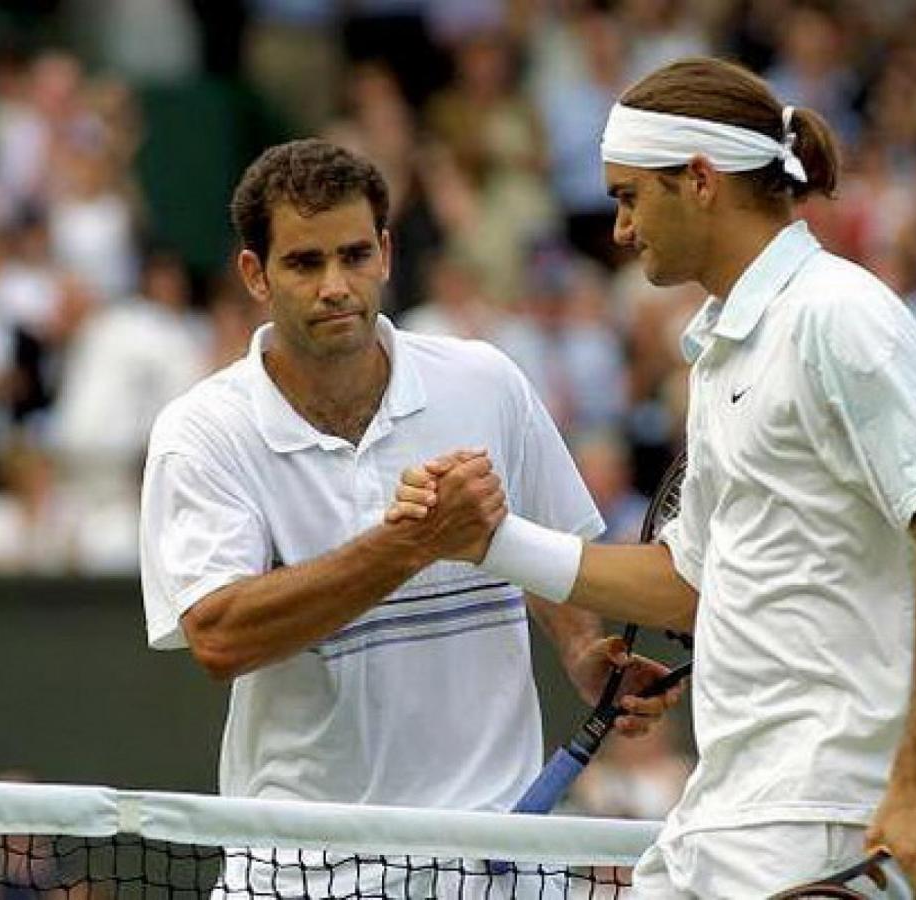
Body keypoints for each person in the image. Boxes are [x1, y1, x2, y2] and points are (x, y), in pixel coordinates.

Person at [388, 58, 916, 899]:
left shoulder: (839, 315)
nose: (618, 228)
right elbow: (688, 584)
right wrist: (490, 542)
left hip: (834, 811)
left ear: (702, 182)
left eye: (629, 196)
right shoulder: (724, 348)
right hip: (735, 805)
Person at [138, 139, 679, 895]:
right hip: (304, 873)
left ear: (387, 253)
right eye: (305, 263)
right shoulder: (202, 431)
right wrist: (411, 543)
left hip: (497, 865)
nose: (337, 286)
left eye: (356, 255)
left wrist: (582, 650)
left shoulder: (486, 381)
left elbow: (554, 551)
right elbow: (220, 635)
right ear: (255, 275)